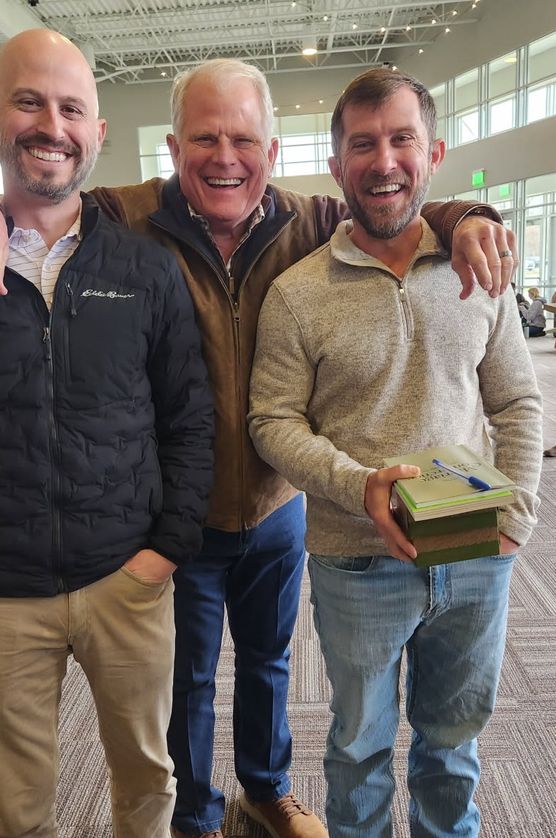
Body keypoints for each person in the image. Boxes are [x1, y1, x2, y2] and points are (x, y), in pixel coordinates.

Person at [0, 59, 517, 838]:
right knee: (188, 681)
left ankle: (265, 791)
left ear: (272, 153)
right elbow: (38, 195)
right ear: (174, 146)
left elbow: (397, 200)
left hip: (276, 505)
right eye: (205, 137)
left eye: (244, 139)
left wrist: (471, 214)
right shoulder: (127, 216)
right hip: (177, 509)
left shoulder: (306, 219)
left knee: (270, 663)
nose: (225, 157)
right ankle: (198, 817)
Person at [0, 29, 213, 838]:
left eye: (73, 109)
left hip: (124, 580)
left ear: (99, 132)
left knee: (147, 780)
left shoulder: (145, 270)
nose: (52, 126)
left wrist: (166, 548)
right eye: (29, 102)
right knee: (19, 806)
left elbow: (189, 418)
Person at [248, 68, 542, 837]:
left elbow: (517, 402)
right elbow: (272, 423)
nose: (384, 161)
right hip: (354, 561)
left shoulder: (481, 272)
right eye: (363, 144)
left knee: (452, 746)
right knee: (356, 748)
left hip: (477, 554)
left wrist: (517, 520)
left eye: (402, 139)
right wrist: (358, 484)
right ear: (337, 163)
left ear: (433, 152)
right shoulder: (297, 293)